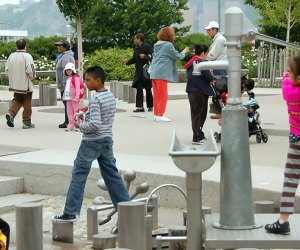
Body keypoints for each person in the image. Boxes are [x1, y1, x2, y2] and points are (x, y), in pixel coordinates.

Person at [52, 66, 130, 222]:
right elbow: (102, 114)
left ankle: (71, 212)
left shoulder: (95, 98)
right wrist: (86, 111)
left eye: (88, 80)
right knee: (112, 176)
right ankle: (128, 209)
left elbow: (94, 125)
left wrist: (78, 125)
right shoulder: (109, 95)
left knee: (78, 175)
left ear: (98, 80)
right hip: (107, 140)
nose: (85, 83)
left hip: (91, 142)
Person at [265, 56, 300, 235]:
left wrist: (288, 73)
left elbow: (286, 80)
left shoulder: (289, 91)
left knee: (290, 181)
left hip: (297, 142)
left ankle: (283, 221)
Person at [150, 27, 189, 122]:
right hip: (162, 73)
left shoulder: (156, 44)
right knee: (163, 95)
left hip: (154, 72)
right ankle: (160, 114)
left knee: (156, 95)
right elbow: (177, 56)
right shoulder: (168, 45)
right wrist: (184, 52)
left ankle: (156, 114)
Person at [184, 44, 214, 145]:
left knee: (195, 114)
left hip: (191, 91)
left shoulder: (191, 62)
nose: (206, 55)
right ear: (203, 53)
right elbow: (209, 77)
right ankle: (197, 137)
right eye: (206, 53)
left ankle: (198, 134)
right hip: (200, 91)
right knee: (201, 114)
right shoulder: (201, 63)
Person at [5, 39, 36, 129]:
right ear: (25, 46)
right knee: (27, 102)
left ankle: (11, 113)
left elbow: (7, 70)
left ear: (16, 46)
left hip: (15, 84)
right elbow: (31, 70)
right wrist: (32, 78)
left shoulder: (11, 56)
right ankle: (27, 122)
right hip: (25, 84)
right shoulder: (27, 56)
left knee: (17, 99)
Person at [125, 33, 153, 112]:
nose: (134, 40)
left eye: (135, 39)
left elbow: (153, 56)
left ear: (139, 39)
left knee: (148, 89)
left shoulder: (147, 47)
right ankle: (140, 107)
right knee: (139, 89)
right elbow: (134, 59)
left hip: (146, 71)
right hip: (138, 72)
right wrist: (128, 62)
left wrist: (145, 56)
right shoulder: (136, 48)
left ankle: (150, 106)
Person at [55, 40, 75, 129]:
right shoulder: (64, 56)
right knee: (67, 103)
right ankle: (68, 121)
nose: (58, 47)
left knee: (67, 103)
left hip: (66, 84)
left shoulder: (66, 57)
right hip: (66, 84)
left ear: (65, 47)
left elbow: (67, 71)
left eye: (60, 46)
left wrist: (64, 84)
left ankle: (69, 121)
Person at [63, 62, 82, 132]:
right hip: (68, 98)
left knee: (76, 112)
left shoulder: (75, 78)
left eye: (70, 70)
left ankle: (77, 125)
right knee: (69, 112)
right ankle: (70, 125)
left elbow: (77, 88)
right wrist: (65, 97)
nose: (68, 71)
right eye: (67, 70)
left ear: (73, 70)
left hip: (74, 99)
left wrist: (77, 97)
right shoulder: (68, 79)